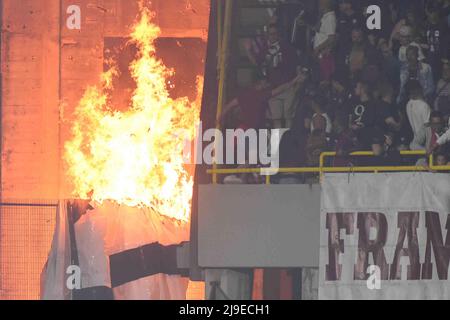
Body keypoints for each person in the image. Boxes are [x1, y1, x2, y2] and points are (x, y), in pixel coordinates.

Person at [313, 0, 337, 81]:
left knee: (325, 79)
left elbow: (331, 38)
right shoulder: (324, 16)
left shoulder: (330, 18)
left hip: (324, 54)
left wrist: (318, 48)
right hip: (319, 55)